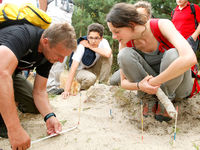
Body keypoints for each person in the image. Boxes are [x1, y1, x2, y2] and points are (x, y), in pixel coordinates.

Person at [106, 2, 197, 122]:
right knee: (124, 55)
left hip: (179, 87)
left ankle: (166, 100)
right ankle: (148, 99)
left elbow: (190, 58)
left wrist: (154, 82)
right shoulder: (124, 42)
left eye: (117, 31)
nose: (113, 36)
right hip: (152, 89)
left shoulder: (162, 25)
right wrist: (140, 86)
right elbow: (123, 83)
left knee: (173, 54)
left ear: (131, 24)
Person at [0, 22, 77, 150]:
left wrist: (49, 116)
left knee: (35, 106)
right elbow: (2, 74)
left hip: (11, 74)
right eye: (59, 55)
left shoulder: (48, 55)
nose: (61, 61)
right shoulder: (22, 35)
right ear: (45, 41)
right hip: (3, 72)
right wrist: (14, 128)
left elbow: (40, 91)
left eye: (64, 57)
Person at [62, 23, 112, 98]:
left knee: (109, 56)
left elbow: (108, 54)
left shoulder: (104, 42)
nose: (93, 41)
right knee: (90, 78)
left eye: (96, 38)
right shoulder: (81, 46)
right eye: (91, 38)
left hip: (93, 67)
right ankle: (83, 90)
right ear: (87, 37)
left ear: (101, 38)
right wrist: (66, 90)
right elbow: (73, 68)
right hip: (79, 71)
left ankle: (102, 85)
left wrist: (90, 46)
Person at [109, 0, 152, 86]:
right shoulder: (126, 37)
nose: (139, 20)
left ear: (149, 17)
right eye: (136, 16)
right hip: (135, 65)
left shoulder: (155, 30)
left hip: (153, 68)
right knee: (113, 80)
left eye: (142, 16)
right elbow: (123, 60)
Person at [46, 0, 75, 95]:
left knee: (64, 50)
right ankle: (48, 85)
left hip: (68, 11)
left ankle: (55, 85)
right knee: (53, 47)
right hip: (54, 10)